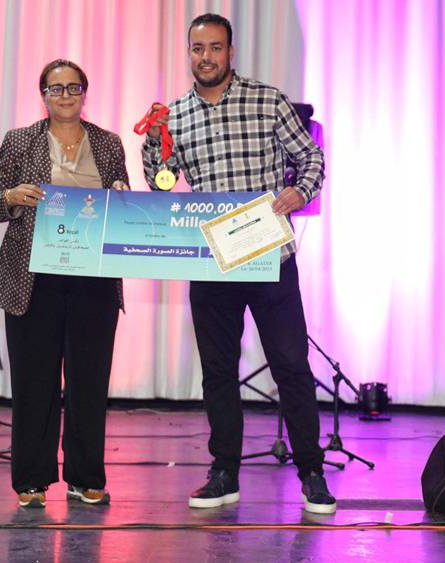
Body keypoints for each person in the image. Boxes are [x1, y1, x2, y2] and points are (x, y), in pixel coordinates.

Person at [141, 13, 335, 514]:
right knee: (218, 372)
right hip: (211, 261)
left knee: (291, 365)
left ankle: (311, 472)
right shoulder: (175, 115)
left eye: (215, 47)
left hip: (270, 257)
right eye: (197, 48)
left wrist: (299, 191)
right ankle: (224, 472)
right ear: (189, 53)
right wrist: (154, 146)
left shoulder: (267, 100)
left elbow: (312, 159)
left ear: (230, 52)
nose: (205, 56)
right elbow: (163, 185)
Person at [0, 59, 130, 509]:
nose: (65, 95)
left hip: (93, 278)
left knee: (89, 382)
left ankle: (85, 478)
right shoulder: (20, 140)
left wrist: (122, 194)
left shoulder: (108, 143)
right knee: (34, 383)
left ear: (85, 92)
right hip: (33, 279)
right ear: (43, 95)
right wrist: (12, 196)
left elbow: (122, 198)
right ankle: (31, 480)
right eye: (56, 88)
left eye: (73, 87)